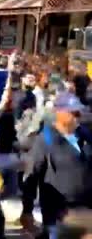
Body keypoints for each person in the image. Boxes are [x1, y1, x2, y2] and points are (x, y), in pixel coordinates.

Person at [21, 92, 92, 239]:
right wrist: (27, 209)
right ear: (58, 112)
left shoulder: (86, 135)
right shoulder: (45, 137)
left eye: (78, 113)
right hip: (59, 216)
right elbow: (32, 173)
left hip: (87, 213)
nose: (77, 117)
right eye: (73, 113)